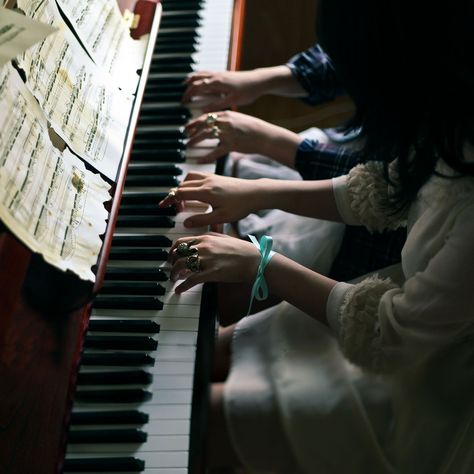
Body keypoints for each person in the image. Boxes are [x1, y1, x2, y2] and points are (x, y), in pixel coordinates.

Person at [160, 0, 474, 472]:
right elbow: (388, 187)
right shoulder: (453, 106)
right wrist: (258, 190)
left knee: (205, 422)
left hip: (420, 379)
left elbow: (388, 334)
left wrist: (260, 264)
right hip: (393, 309)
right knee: (204, 355)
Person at [182, 40, 406, 285]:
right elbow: (359, 53)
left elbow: (385, 192)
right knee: (214, 167)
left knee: (219, 280)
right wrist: (261, 79)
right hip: (345, 154)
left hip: (365, 236)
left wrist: (266, 141)